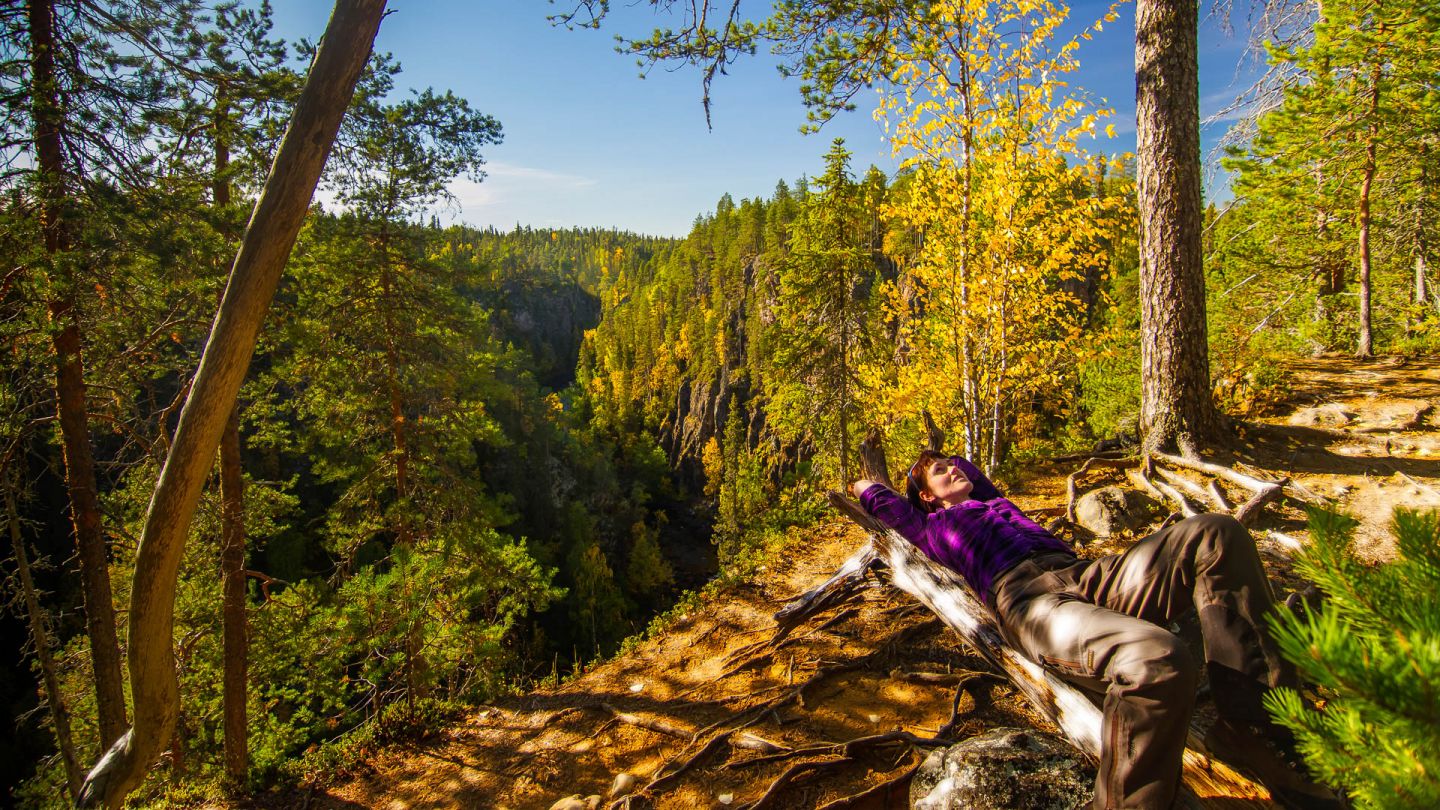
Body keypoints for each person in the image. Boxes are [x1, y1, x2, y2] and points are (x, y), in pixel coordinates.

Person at [850, 449, 1342, 810]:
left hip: (1089, 574)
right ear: (925, 498)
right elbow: (880, 503)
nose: (953, 468)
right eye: (939, 471)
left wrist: (951, 461)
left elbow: (971, 470)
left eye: (954, 464)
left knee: (1216, 533)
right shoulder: (930, 528)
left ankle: (1255, 727)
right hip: (1031, 602)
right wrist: (865, 485)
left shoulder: (995, 502)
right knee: (1158, 659)